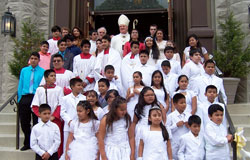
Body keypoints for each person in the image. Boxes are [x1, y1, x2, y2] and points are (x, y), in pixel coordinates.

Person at [31, 69, 64, 157]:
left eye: (55, 76)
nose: (54, 77)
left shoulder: (59, 89)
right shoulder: (40, 90)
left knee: (55, 141)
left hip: (55, 119)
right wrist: (42, 116)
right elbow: (34, 106)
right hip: (42, 120)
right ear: (46, 78)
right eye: (51, 76)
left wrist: (53, 116)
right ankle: (42, 155)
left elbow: (61, 104)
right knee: (41, 140)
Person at [18, 52, 45, 151]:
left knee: (35, 122)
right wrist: (19, 99)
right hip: (25, 97)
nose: (33, 60)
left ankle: (35, 142)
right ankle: (27, 142)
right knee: (24, 121)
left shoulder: (42, 71)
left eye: (35, 58)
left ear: (38, 60)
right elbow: (20, 84)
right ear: (30, 60)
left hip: (36, 97)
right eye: (32, 58)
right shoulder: (24, 70)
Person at [130, 87, 166, 158]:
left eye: (152, 95)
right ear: (142, 96)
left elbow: (164, 119)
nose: (150, 97)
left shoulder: (158, 105)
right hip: (141, 130)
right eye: (147, 95)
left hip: (155, 129)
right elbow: (134, 122)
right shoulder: (138, 107)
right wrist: (132, 135)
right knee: (141, 150)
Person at [60, 78, 86, 158]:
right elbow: (63, 112)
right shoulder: (65, 98)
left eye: (81, 85)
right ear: (72, 86)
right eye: (78, 85)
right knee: (67, 146)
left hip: (81, 125)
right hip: (68, 126)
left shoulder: (84, 98)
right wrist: (70, 121)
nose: (80, 87)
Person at [166, 93, 191, 160]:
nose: (184, 105)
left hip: (186, 143)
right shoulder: (170, 116)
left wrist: (189, 126)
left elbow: (194, 129)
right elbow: (167, 130)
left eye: (185, 103)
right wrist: (176, 125)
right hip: (175, 143)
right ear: (175, 104)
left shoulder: (189, 115)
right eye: (181, 103)